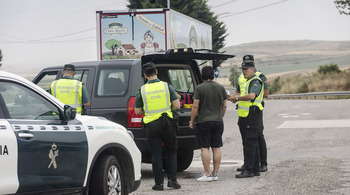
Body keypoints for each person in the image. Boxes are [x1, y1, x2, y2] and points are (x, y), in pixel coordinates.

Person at [134, 62, 181, 191]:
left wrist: (147, 111)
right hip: (167, 123)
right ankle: (172, 180)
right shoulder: (167, 86)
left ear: (145, 75)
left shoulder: (142, 90)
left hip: (151, 126)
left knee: (156, 155)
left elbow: (137, 111)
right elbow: (177, 106)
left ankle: (158, 184)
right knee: (171, 152)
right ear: (156, 72)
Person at [189, 66, 228, 182]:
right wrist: (220, 117)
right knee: (216, 147)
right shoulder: (221, 87)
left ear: (202, 75)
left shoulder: (199, 88)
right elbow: (224, 105)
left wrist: (192, 121)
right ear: (213, 75)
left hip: (204, 121)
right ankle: (215, 174)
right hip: (218, 121)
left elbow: (195, 106)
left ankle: (207, 174)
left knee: (204, 147)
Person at [228, 59, 264, 178]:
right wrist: (234, 97)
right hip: (245, 116)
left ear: (253, 69)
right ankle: (255, 168)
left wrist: (237, 99)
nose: (244, 71)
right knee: (250, 143)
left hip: (252, 115)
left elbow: (251, 96)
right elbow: (241, 94)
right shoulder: (247, 81)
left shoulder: (255, 81)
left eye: (246, 69)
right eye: (243, 69)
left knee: (250, 143)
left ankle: (249, 170)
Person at [235, 55, 269, 173]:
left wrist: (244, 98)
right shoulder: (241, 77)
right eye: (243, 66)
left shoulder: (259, 77)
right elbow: (238, 91)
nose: (244, 70)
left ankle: (262, 163)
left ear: (253, 66)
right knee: (248, 140)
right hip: (244, 112)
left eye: (247, 66)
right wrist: (238, 97)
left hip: (254, 110)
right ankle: (250, 164)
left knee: (257, 137)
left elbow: (265, 94)